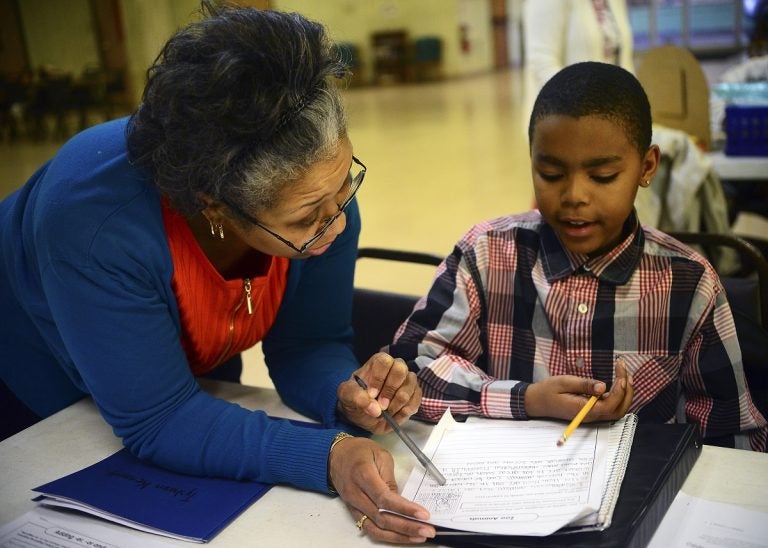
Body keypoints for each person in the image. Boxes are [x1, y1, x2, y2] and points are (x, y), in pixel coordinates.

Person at [0, 4, 436, 543]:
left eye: (346, 184)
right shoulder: (96, 224)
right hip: (32, 382)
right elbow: (159, 418)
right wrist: (328, 454)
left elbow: (309, 344)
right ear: (214, 210)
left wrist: (343, 393)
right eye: (305, 219)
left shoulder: (323, 199)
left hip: (185, 378)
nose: (337, 222)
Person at [387, 62, 768, 452]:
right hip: (506, 486)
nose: (574, 196)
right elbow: (408, 371)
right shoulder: (486, 253)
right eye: (550, 174)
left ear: (646, 166)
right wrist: (527, 399)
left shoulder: (690, 284)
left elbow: (731, 436)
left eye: (602, 176)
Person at [522, 0, 634, 137]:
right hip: (566, 126)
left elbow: (623, 58)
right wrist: (587, 111)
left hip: (613, 122)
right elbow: (542, 61)